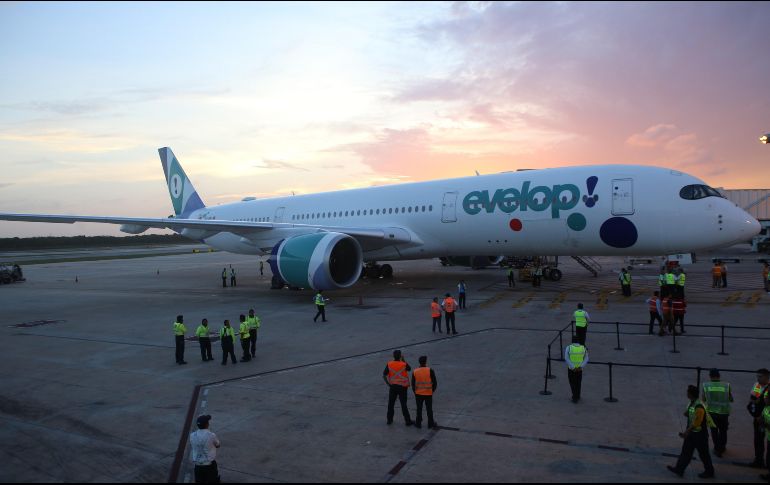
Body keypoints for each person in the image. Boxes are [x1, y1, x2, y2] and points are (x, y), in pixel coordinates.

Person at [667, 385, 715, 479]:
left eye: (687, 392)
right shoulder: (692, 403)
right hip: (692, 434)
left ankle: (709, 471)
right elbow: (687, 414)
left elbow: (697, 423)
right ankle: (679, 469)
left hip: (700, 435)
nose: (686, 393)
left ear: (690, 394)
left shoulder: (699, 406)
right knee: (686, 452)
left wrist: (686, 432)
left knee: (703, 454)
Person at [702, 369, 733, 458]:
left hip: (712, 413)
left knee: (714, 431)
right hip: (724, 412)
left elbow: (703, 399)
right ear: (719, 376)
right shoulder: (726, 385)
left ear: (710, 376)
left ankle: (717, 448)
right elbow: (731, 399)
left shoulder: (706, 385)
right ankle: (722, 448)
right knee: (723, 431)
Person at [383, 350, 413, 426]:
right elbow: (409, 369)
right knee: (403, 404)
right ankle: (408, 421)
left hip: (393, 387)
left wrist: (388, 384)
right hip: (403, 387)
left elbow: (384, 374)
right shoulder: (403, 364)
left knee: (391, 404)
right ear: (400, 356)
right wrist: (403, 359)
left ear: (393, 356)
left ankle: (389, 420)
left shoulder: (389, 364)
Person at [748, 369, 770, 468]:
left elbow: (765, 403)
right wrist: (756, 415)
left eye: (760, 376)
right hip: (758, 419)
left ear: (767, 377)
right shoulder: (757, 385)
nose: (758, 378)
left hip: (767, 419)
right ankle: (759, 460)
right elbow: (753, 399)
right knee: (758, 440)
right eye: (757, 376)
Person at [189, 414, 221, 483]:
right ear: (207, 424)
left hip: (198, 465)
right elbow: (218, 445)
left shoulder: (192, 435)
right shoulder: (211, 435)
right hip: (209, 465)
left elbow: (193, 445)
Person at [412, 355, 438, 429]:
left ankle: (418, 423)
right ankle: (430, 423)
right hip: (428, 393)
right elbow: (435, 383)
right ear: (425, 362)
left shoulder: (415, 371)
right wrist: (431, 391)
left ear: (419, 362)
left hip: (418, 394)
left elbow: (413, 384)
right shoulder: (430, 370)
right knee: (429, 409)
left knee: (419, 409)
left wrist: (415, 392)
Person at [564, 336, 588, 403]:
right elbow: (586, 358)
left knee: (572, 382)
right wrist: (581, 366)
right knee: (578, 382)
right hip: (580, 370)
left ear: (572, 341)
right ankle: (578, 395)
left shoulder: (569, 348)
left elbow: (566, 358)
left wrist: (573, 367)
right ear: (578, 341)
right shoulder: (583, 348)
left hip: (571, 369)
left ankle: (574, 397)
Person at [760, 392, 770, 481]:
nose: (764, 399)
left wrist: (766, 425)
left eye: (766, 398)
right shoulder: (766, 408)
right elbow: (763, 417)